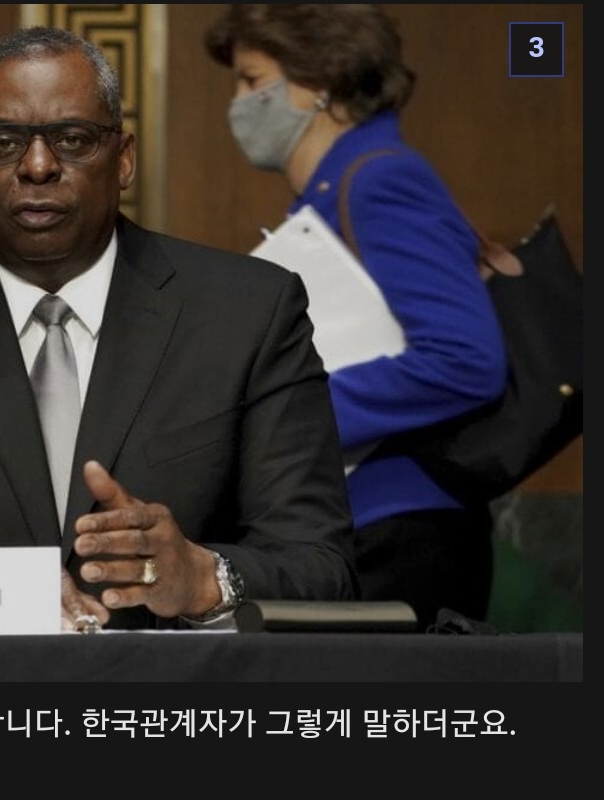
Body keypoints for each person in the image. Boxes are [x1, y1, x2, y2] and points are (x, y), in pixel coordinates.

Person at [0, 25, 357, 632]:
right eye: (3, 142)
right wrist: (2, 597)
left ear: (123, 159)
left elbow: (323, 568)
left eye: (72, 139)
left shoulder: (247, 314)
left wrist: (205, 578)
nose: (38, 166)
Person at [203, 4, 507, 629]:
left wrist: (290, 417)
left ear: (321, 80)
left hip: (399, 530)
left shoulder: (381, 180)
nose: (237, 104)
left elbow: (465, 359)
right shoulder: (334, 191)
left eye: (253, 81)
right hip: (365, 526)